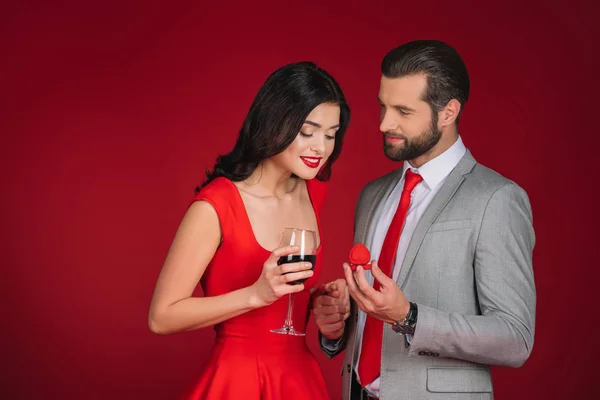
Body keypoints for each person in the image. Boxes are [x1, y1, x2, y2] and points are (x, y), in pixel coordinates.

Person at [313, 40, 536, 399]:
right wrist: (338, 325)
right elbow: (372, 317)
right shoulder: (373, 195)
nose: (385, 123)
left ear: (448, 112)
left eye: (403, 110)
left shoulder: (496, 199)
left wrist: (410, 317)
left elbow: (515, 338)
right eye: (383, 106)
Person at [148, 61, 351, 399]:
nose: (321, 148)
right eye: (308, 131)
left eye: (331, 135)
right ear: (275, 122)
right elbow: (161, 316)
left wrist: (322, 304)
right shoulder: (216, 205)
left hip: (299, 379)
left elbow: (291, 301)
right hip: (238, 380)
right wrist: (255, 295)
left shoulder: (314, 191)